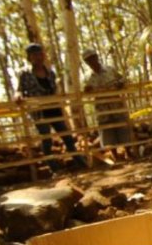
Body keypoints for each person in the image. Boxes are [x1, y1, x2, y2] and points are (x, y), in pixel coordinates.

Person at [15, 43, 86, 172]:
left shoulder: (50, 73)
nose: (38, 57)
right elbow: (19, 90)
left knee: (66, 136)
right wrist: (18, 96)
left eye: (40, 54)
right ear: (29, 57)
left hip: (54, 108)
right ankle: (54, 168)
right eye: (35, 55)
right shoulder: (24, 74)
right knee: (46, 139)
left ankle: (80, 162)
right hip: (39, 111)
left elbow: (55, 90)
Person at [82, 49, 133, 152]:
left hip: (116, 105)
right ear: (86, 63)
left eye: (93, 58)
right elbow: (86, 94)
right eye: (88, 60)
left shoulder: (110, 70)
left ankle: (128, 151)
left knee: (122, 127)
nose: (92, 61)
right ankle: (114, 155)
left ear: (97, 57)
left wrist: (120, 84)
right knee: (107, 131)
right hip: (102, 108)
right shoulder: (88, 78)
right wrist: (87, 90)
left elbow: (123, 79)